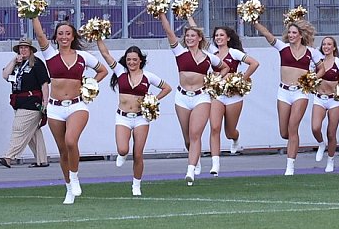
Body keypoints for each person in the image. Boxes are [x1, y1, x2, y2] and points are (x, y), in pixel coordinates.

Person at [31, 16, 110, 205]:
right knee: (63, 151)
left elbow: (103, 71)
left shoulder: (83, 57)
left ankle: (74, 177)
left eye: (68, 33)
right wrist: (33, 14)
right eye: (60, 34)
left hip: (77, 105)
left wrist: (90, 84)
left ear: (73, 36)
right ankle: (68, 188)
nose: (64, 37)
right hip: (55, 108)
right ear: (56, 37)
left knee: (71, 141)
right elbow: (40, 35)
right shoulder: (50, 54)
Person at [251, 13, 315, 175]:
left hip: (300, 92)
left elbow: (322, 68)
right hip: (284, 92)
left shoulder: (311, 52)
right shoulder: (283, 48)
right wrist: (255, 22)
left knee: (293, 128)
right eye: (290, 32)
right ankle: (292, 141)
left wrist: (312, 79)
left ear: (301, 35)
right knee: (284, 132)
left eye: (294, 33)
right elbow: (268, 35)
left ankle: (290, 166)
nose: (291, 35)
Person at [159, 12, 218, 186]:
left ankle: (190, 170)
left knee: (195, 134)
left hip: (202, 97)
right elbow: (169, 32)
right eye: (187, 36)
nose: (190, 38)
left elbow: (224, 67)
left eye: (193, 35)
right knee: (187, 138)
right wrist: (161, 14)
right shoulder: (180, 52)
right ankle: (195, 159)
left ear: (199, 38)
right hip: (182, 97)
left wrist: (215, 80)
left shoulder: (209, 56)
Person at [104, 45, 171, 197]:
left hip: (141, 117)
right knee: (123, 149)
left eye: (135, 59)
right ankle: (122, 154)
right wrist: (99, 37)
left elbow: (167, 88)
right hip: (123, 117)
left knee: (138, 154)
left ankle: (136, 184)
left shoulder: (148, 76)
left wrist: (153, 100)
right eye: (129, 60)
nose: (131, 62)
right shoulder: (120, 72)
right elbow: (106, 54)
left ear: (140, 60)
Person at [207, 25, 258, 174]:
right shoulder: (212, 52)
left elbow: (254, 63)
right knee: (214, 128)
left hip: (233, 95)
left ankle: (235, 138)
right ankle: (215, 164)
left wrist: (242, 79)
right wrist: (189, 16)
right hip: (217, 94)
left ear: (228, 38)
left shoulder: (234, 53)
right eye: (216, 35)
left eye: (221, 35)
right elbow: (198, 34)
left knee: (229, 132)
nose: (218, 38)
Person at [308, 36, 339, 172]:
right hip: (319, 98)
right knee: (315, 127)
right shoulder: (317, 61)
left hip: (334, 100)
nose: (326, 46)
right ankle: (321, 144)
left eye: (329, 44)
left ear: (334, 47)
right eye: (324, 44)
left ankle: (330, 160)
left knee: (331, 133)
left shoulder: (338, 62)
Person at [0, 39, 50, 168]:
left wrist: (45, 102)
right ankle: (42, 160)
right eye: (21, 48)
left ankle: (9, 157)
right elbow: (5, 75)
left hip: (32, 101)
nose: (23, 50)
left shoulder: (37, 63)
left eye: (26, 48)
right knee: (33, 133)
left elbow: (44, 84)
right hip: (19, 101)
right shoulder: (17, 64)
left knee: (19, 128)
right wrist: (13, 61)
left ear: (31, 50)